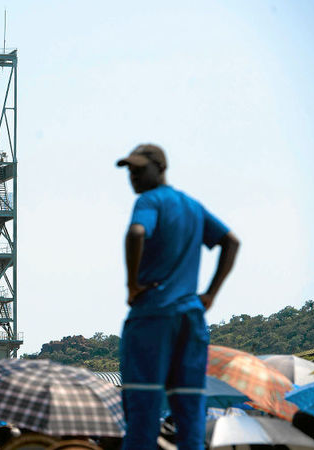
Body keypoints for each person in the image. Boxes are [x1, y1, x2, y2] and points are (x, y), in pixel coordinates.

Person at [116, 144, 240, 449]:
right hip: (191, 318)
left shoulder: (150, 200)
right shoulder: (192, 206)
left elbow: (136, 233)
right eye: (130, 171)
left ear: (160, 168)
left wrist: (132, 285)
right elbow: (230, 241)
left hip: (152, 316)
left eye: (139, 169)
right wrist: (210, 294)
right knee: (190, 416)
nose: (133, 176)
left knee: (142, 413)